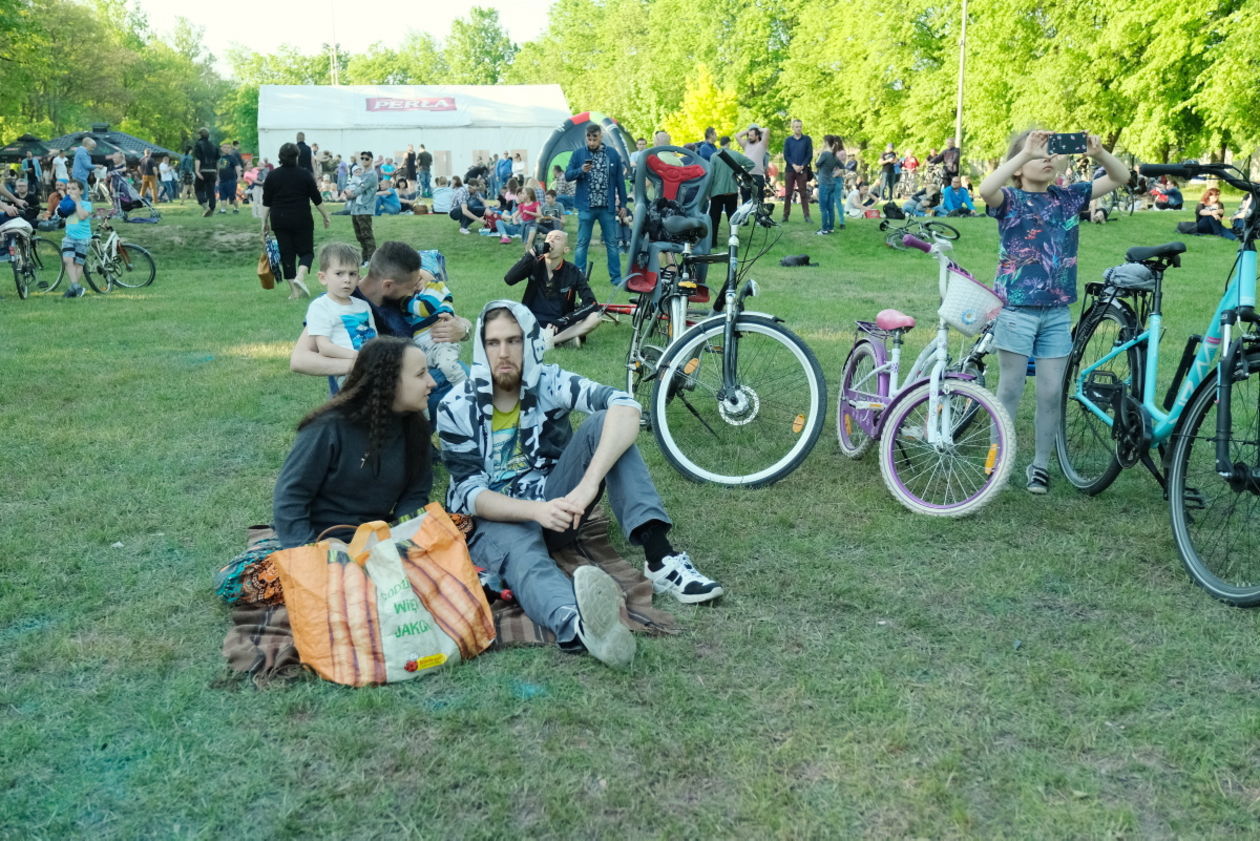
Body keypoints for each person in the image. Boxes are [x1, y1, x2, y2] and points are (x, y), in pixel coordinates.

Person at [436, 302, 724, 668]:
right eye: (493, 343)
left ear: (530, 343)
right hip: (497, 518)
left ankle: (660, 557)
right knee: (525, 557)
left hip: (560, 506)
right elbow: (470, 494)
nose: (504, 353)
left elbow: (625, 406)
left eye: (514, 340)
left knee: (607, 423)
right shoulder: (455, 408)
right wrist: (536, 511)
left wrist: (587, 488)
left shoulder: (547, 380)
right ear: (481, 347)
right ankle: (581, 625)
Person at [978, 129, 1127, 494]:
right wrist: (1023, 153)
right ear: (1019, 167)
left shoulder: (1068, 198)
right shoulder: (1010, 200)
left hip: (1057, 313)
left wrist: (1100, 153)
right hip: (1016, 311)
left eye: (1050, 153)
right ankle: (998, 458)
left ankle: (1040, 465)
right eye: (1036, 154)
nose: (1045, 159)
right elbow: (985, 189)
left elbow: (1122, 177)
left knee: (1050, 392)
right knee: (1010, 388)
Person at [273, 336, 435, 548]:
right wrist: (307, 552)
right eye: (421, 374)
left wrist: (402, 541)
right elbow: (290, 497)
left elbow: (415, 495)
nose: (432, 382)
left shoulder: (416, 428)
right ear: (389, 381)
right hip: (316, 540)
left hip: (376, 540)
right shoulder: (327, 427)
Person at [291, 242, 471, 413]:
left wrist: (463, 329)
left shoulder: (401, 296)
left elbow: (458, 319)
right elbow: (300, 360)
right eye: (410, 288)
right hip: (368, 390)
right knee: (456, 378)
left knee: (455, 373)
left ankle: (417, 440)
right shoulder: (337, 301)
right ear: (388, 285)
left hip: (403, 380)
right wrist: (364, 364)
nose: (413, 292)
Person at [504, 229, 602, 348]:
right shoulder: (533, 263)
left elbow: (591, 304)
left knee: (596, 317)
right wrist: (532, 252)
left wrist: (565, 319)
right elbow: (509, 279)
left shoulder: (573, 271)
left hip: (558, 325)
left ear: (566, 249)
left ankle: (550, 341)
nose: (551, 240)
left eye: (557, 238)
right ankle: (564, 340)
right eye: (549, 237)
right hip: (531, 321)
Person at [262, 141, 331, 300]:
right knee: (306, 252)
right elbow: (316, 198)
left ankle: (294, 292)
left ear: (280, 157)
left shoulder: (273, 176)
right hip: (302, 218)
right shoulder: (305, 174)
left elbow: (266, 202)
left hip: (279, 220)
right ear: (297, 156)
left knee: (287, 255)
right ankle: (300, 277)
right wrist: (325, 215)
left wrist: (263, 223)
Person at [565, 123, 629, 286]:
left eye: (595, 138)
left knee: (612, 243)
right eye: (589, 138)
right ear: (586, 137)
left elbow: (620, 182)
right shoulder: (578, 154)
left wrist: (623, 204)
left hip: (607, 207)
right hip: (586, 207)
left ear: (601, 137)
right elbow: (567, 176)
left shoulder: (612, 154)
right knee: (581, 243)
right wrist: (581, 170)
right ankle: (579, 278)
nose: (592, 141)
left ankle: (616, 279)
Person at [303, 242, 379, 377]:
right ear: (323, 277)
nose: (347, 280)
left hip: (374, 364)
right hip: (348, 372)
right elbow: (324, 347)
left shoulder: (363, 305)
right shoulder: (320, 306)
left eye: (352, 274)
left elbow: (375, 339)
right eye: (339, 273)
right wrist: (359, 357)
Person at [404, 266, 467, 398]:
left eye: (421, 270)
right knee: (418, 383)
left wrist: (405, 301)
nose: (415, 276)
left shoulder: (436, 287)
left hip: (440, 345)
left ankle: (468, 393)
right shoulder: (418, 296)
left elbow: (425, 308)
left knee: (448, 366)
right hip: (424, 350)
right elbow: (408, 319)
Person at [59, 179, 92, 299]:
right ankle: (76, 287)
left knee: (78, 263)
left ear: (81, 191)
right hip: (69, 237)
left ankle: (73, 289)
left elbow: (83, 216)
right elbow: (60, 214)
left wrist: (77, 202)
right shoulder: (67, 204)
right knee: (68, 260)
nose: (70, 191)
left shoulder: (86, 204)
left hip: (83, 239)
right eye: (68, 189)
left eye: (74, 188)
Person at [344, 151, 379, 262]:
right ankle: (365, 259)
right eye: (362, 158)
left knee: (367, 235)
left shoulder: (371, 174)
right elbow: (352, 185)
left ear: (371, 160)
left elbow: (361, 188)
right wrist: (347, 192)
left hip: (365, 209)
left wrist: (351, 194)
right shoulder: (359, 173)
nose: (364, 160)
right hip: (355, 209)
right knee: (359, 236)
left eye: (366, 158)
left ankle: (372, 259)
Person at [781, 119, 813, 223]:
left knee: (803, 193)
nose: (798, 128)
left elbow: (809, 155)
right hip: (790, 169)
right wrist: (794, 165)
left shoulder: (807, 139)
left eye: (800, 126)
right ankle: (785, 216)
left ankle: (807, 216)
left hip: (802, 170)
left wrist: (802, 166)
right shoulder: (788, 140)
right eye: (796, 126)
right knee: (788, 194)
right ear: (793, 128)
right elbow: (786, 155)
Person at [813, 134, 845, 235]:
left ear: (826, 142)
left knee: (823, 208)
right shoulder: (834, 155)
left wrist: (820, 152)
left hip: (824, 183)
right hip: (832, 183)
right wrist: (834, 174)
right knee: (830, 208)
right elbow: (842, 166)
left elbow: (817, 164)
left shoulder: (825, 154)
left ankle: (824, 229)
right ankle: (831, 228)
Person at [736, 125, 769, 203]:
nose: (749, 137)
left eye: (751, 135)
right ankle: (745, 215)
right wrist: (749, 130)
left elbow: (766, 130)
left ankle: (760, 215)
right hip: (746, 176)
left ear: (757, 136)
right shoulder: (746, 145)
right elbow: (737, 136)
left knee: (759, 200)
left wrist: (756, 129)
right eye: (748, 135)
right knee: (745, 200)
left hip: (758, 176)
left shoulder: (762, 144)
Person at [192, 128, 218, 217]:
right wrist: (216, 172)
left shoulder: (198, 144)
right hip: (212, 171)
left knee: (198, 189)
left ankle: (205, 206)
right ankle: (212, 207)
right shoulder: (213, 146)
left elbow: (198, 158)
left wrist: (197, 170)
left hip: (203, 170)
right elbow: (217, 160)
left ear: (200, 135)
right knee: (211, 191)